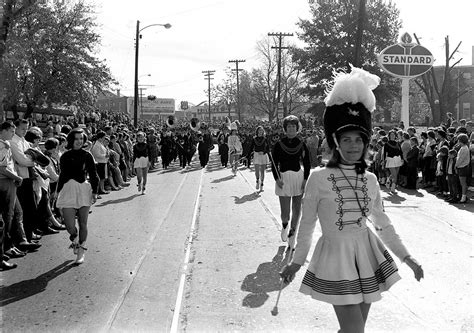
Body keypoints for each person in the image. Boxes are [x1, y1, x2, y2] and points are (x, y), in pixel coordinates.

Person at [280, 67, 423, 333]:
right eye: (346, 139)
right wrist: (297, 261)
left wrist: (408, 257)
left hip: (367, 256)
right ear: (335, 142)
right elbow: (308, 225)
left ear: (367, 142)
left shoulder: (369, 179)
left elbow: (382, 222)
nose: (353, 145)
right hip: (336, 258)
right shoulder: (319, 178)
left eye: (359, 139)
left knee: (352, 331)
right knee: (355, 330)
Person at [56, 128, 99, 264]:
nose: (79, 141)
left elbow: (93, 174)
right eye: (76, 139)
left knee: (83, 223)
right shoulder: (65, 156)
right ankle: (74, 239)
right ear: (71, 140)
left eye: (81, 139)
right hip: (68, 189)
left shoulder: (87, 155)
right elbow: (62, 175)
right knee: (69, 225)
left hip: (83, 190)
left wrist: (95, 191)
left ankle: (81, 251)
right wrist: (56, 191)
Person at [270, 115, 310, 250]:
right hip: (283, 179)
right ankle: (285, 225)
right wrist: (277, 179)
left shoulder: (302, 144)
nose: (291, 128)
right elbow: (274, 163)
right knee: (285, 213)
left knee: (297, 210)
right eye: (289, 126)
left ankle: (292, 236)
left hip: (298, 178)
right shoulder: (278, 144)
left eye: (294, 126)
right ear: (285, 129)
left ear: (297, 128)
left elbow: (307, 163)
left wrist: (305, 179)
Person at [248, 126, 269, 191]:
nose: (260, 131)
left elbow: (268, 148)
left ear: (263, 131)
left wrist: (264, 152)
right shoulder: (254, 139)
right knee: (257, 170)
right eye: (259, 130)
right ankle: (257, 180)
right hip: (256, 155)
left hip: (263, 155)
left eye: (262, 130)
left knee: (262, 171)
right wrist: (247, 155)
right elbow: (251, 148)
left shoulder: (265, 139)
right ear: (257, 131)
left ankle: (262, 183)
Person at [455, 133, 470, 203]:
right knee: (462, 183)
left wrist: (456, 165)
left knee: (463, 183)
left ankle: (463, 197)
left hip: (463, 167)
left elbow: (460, 159)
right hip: (462, 167)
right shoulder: (463, 147)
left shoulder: (464, 148)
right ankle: (463, 196)